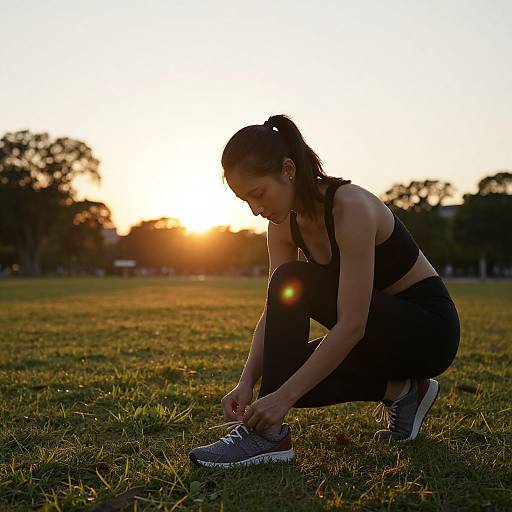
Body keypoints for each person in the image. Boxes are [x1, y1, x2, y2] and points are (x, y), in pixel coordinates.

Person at [189, 114, 460, 468]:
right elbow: (276, 309)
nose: (256, 210)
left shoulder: (351, 208)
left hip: (427, 331)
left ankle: (267, 436)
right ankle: (407, 393)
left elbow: (351, 325)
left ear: (288, 169)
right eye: (246, 202)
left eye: (258, 194)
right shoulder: (283, 223)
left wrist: (281, 397)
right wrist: (248, 382)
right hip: (374, 337)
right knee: (284, 365)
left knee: (291, 282)